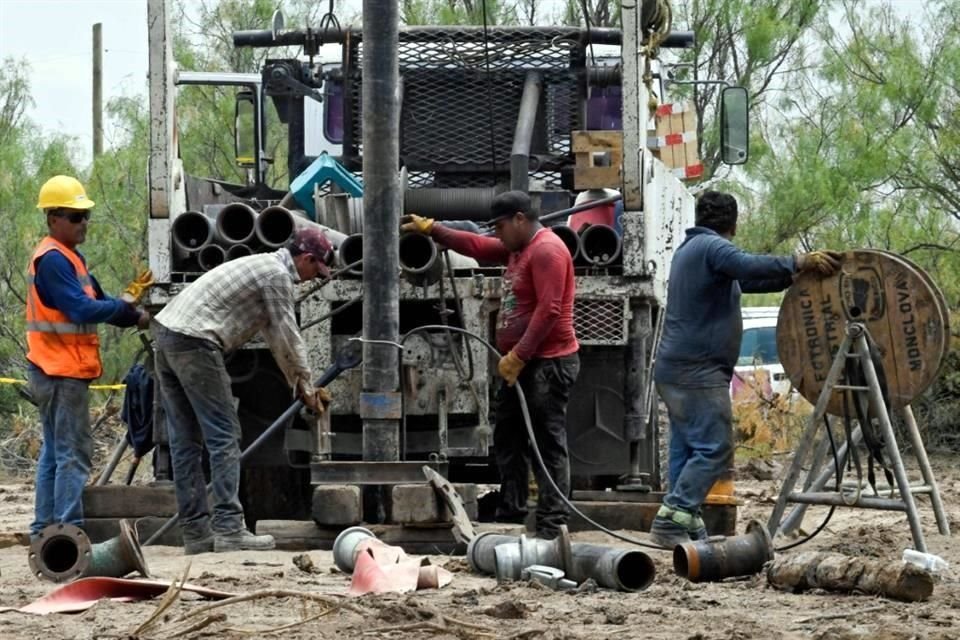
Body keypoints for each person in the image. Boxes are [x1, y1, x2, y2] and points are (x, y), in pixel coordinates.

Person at [649, 190, 842, 547]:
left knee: (688, 448)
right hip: (697, 371)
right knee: (714, 449)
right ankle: (672, 517)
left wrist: (792, 276)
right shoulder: (714, 249)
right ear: (733, 224)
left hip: (675, 368)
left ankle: (684, 521)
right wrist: (799, 261)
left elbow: (748, 279)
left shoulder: (690, 251)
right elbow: (748, 265)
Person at [402, 191, 579, 539]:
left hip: (546, 364)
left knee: (547, 441)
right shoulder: (519, 248)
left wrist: (520, 355)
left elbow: (550, 310)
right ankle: (512, 511)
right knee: (509, 437)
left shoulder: (546, 250)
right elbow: (478, 247)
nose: (496, 233)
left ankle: (552, 522)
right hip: (524, 365)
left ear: (519, 219)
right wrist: (434, 229)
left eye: (499, 225)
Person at [152, 228, 335, 554]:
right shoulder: (277, 275)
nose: (312, 279)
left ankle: (196, 535)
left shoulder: (261, 267)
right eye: (315, 271)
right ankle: (229, 529)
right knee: (224, 435)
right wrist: (306, 386)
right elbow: (286, 336)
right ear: (306, 259)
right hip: (196, 342)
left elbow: (272, 335)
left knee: (185, 443)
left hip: (167, 338)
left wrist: (296, 381)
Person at [26, 175, 150, 538]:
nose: (84, 223)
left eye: (85, 215)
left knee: (54, 452)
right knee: (72, 456)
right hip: (59, 370)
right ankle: (67, 533)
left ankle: (43, 532)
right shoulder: (52, 260)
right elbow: (81, 309)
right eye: (74, 216)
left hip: (56, 369)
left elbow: (99, 302)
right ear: (52, 218)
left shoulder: (71, 259)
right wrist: (129, 312)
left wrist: (130, 308)